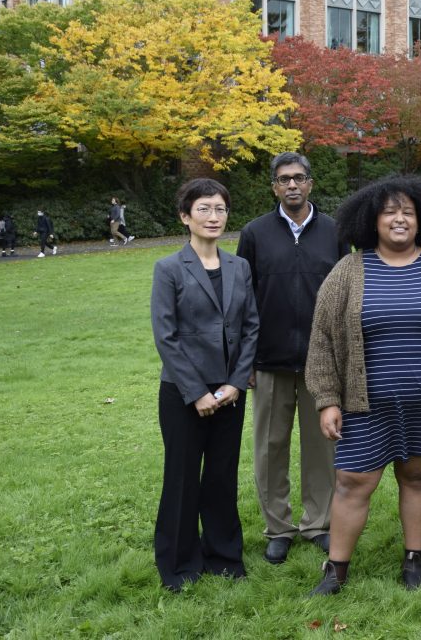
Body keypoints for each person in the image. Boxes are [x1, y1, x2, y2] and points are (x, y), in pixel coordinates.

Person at [305, 176, 421, 594]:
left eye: (408, 211)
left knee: (418, 479)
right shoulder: (348, 271)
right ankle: (336, 570)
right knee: (353, 482)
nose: (399, 219)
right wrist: (327, 400)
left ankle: (413, 559)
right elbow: (322, 341)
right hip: (364, 406)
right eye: (390, 211)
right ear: (373, 220)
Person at [236, 153, 349, 566]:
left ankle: (317, 523)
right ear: (274, 187)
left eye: (299, 178)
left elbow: (346, 295)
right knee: (271, 446)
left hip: (323, 362)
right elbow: (242, 298)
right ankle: (278, 528)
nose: (292, 186)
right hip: (269, 359)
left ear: (311, 183)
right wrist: (244, 358)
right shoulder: (255, 234)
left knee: (322, 447)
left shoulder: (335, 231)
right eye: (284, 180)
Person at [150, 178, 259, 592]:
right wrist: (196, 393)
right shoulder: (169, 269)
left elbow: (251, 327)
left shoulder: (239, 267)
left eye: (220, 209)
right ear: (185, 217)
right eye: (204, 209)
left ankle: (224, 557)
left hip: (230, 390)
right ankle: (178, 564)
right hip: (182, 391)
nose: (214, 217)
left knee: (221, 475)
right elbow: (167, 336)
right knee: (181, 477)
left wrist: (235, 384)